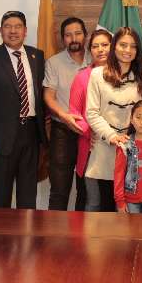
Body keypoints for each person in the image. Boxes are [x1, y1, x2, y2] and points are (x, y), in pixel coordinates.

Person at [0, 11, 46, 209]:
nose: (13, 31)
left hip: (31, 134)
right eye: (8, 26)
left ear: (25, 31)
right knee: (3, 193)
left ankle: (27, 235)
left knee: (28, 192)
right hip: (2, 137)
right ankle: (2, 237)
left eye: (17, 27)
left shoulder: (37, 56)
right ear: (0, 30)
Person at [85, 27, 142, 212]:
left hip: (135, 151)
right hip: (105, 148)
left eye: (133, 46)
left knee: (130, 211)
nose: (127, 50)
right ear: (114, 47)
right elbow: (91, 113)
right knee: (104, 209)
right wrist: (112, 136)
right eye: (123, 45)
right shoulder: (97, 75)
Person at [43, 17, 91, 210]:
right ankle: (54, 238)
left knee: (86, 189)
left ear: (85, 36)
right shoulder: (54, 62)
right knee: (59, 189)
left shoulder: (96, 59)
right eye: (68, 35)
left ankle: (80, 237)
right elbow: (48, 96)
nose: (74, 38)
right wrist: (65, 117)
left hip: (89, 133)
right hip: (62, 130)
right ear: (63, 39)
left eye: (78, 33)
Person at [68, 29, 113, 211]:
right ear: (90, 50)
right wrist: (92, 131)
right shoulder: (82, 77)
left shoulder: (123, 75)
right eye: (95, 46)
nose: (100, 50)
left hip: (116, 148)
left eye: (105, 45)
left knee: (114, 202)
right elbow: (74, 114)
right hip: (91, 146)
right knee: (92, 202)